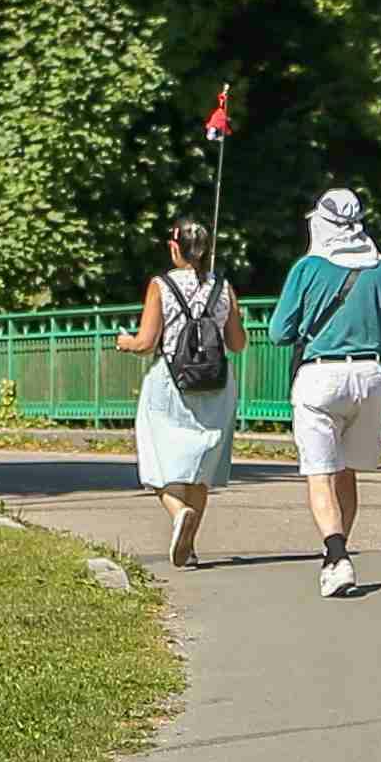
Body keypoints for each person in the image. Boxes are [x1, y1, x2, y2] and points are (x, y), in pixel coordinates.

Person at [271, 188, 381, 600]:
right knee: (347, 473)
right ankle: (336, 558)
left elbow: (279, 332)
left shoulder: (308, 267)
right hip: (369, 377)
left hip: (320, 377)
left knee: (320, 473)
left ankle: (336, 555)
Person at [121, 220, 240, 563]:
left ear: (175, 248)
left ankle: (178, 513)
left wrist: (125, 342)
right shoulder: (223, 286)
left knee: (157, 456)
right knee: (201, 468)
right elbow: (237, 342)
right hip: (216, 383)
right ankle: (188, 549)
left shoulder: (161, 285)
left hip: (171, 381)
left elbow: (146, 343)